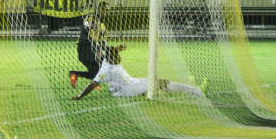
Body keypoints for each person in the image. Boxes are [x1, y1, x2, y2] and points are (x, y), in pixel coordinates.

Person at [70, 45, 204, 100]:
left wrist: (120, 48)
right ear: (111, 59)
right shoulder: (106, 69)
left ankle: (146, 91)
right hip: (126, 90)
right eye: (117, 56)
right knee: (160, 82)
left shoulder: (109, 58)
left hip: (131, 82)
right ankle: (196, 91)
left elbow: (113, 51)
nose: (119, 58)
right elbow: (93, 84)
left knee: (156, 83)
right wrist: (80, 96)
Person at [69, 1, 109, 88]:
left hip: (91, 49)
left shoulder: (103, 28)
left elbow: (102, 44)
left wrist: (104, 49)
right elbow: (84, 30)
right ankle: (97, 83)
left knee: (94, 72)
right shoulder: (90, 17)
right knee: (102, 63)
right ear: (98, 9)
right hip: (84, 46)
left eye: (106, 10)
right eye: (102, 9)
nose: (104, 12)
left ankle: (74, 74)